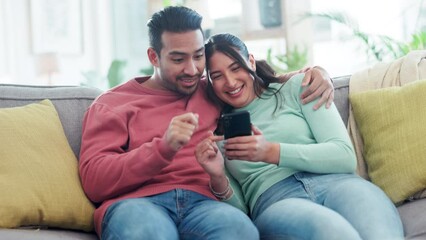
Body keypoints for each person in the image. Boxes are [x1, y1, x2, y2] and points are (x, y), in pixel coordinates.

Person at [79, 6, 335, 240]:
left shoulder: (212, 89)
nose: (192, 69)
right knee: (148, 233)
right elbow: (94, 183)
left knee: (240, 230)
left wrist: (316, 73)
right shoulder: (112, 104)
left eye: (198, 56)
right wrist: (163, 148)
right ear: (154, 57)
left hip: (205, 203)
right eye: (178, 59)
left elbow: (252, 81)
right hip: (138, 204)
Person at [195, 33, 405, 240]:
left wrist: (272, 152)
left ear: (250, 61)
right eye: (217, 76)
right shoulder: (217, 131)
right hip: (276, 200)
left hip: (338, 183)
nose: (230, 82)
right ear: (210, 82)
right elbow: (242, 212)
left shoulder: (298, 87)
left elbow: (345, 156)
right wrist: (218, 177)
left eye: (235, 67)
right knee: (334, 232)